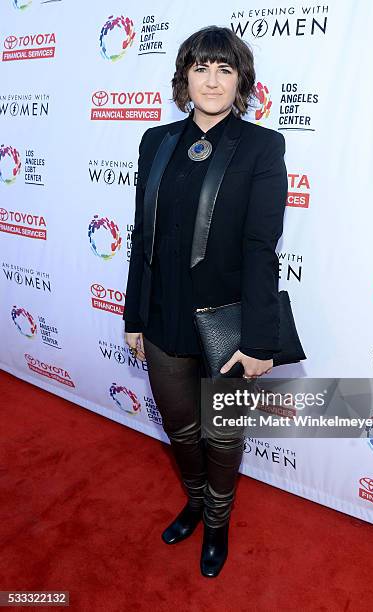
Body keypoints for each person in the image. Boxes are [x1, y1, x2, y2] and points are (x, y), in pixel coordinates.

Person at [123, 25, 288, 577]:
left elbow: (262, 248)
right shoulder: (156, 141)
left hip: (229, 323)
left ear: (240, 79)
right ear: (184, 77)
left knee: (222, 434)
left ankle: (217, 522)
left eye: (224, 68)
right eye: (201, 67)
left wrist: (262, 339)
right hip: (164, 315)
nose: (212, 80)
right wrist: (134, 315)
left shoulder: (262, 145)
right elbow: (141, 237)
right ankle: (194, 502)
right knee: (181, 430)